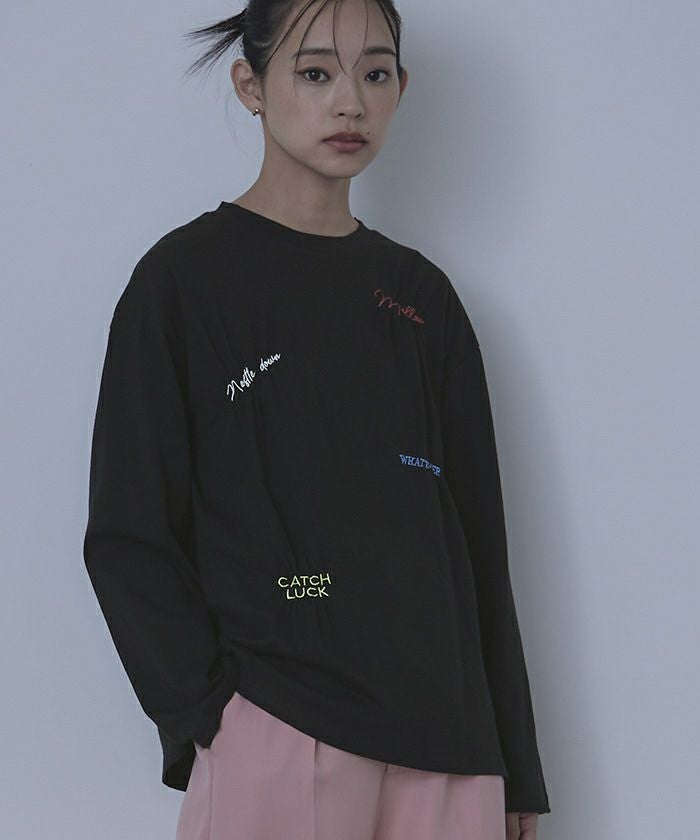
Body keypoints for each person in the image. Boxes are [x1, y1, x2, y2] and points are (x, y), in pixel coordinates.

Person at [82, 1, 551, 838]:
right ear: (250, 85)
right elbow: (129, 533)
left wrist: (512, 758)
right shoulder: (182, 283)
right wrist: (212, 712)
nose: (350, 102)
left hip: (450, 744)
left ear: (401, 89)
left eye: (375, 74)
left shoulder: (422, 299)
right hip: (279, 724)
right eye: (315, 72)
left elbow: (479, 545)